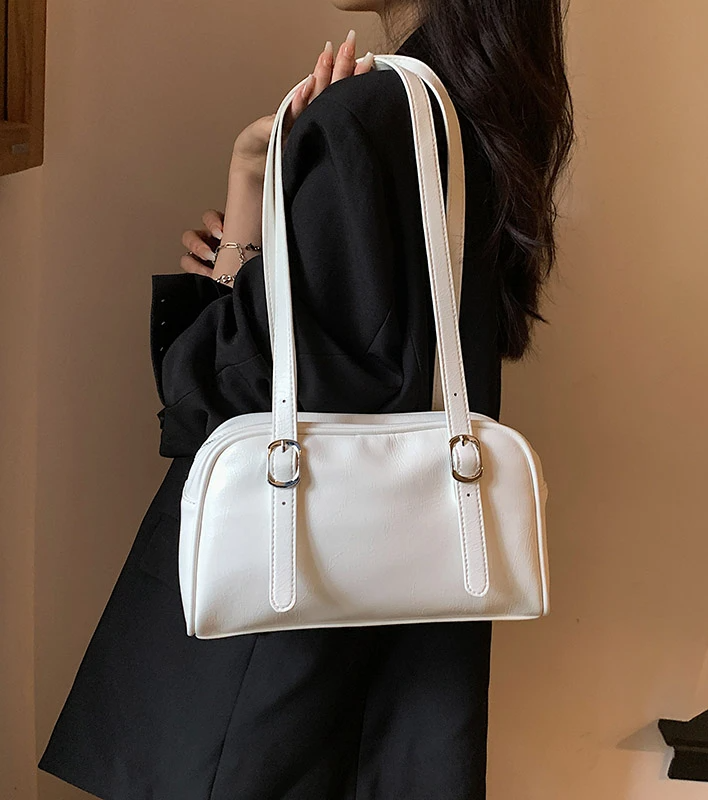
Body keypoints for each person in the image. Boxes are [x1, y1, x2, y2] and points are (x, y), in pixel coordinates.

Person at [37, 1, 574, 798]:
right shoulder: (476, 115)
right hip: (394, 637)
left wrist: (246, 201)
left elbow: (215, 400)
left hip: (273, 651)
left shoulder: (366, 115)